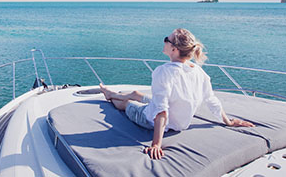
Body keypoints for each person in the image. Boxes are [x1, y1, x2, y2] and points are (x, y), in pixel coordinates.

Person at [99, 28, 254, 160]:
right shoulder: (198, 71)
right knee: (138, 94)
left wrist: (156, 144)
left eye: (167, 39)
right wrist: (228, 121)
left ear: (174, 49)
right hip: (178, 120)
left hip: (150, 119)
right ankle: (124, 93)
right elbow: (211, 99)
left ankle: (110, 96)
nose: (164, 40)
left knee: (127, 105)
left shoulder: (163, 72)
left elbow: (161, 111)